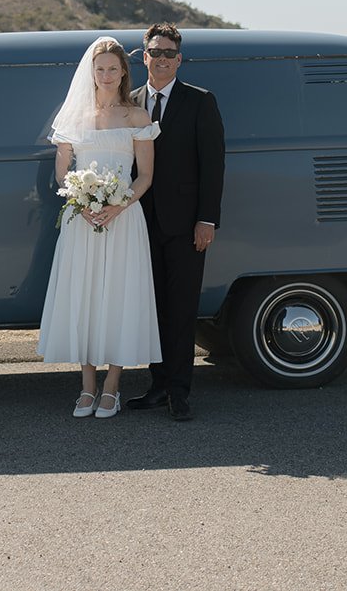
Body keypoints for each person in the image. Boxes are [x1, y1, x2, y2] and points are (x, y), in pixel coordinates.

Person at [37, 37, 162, 419]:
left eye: (112, 68)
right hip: (82, 221)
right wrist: (81, 200)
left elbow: (145, 178)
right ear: (90, 73)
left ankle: (112, 387)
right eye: (100, 68)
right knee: (86, 297)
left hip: (123, 221)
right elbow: (63, 174)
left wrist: (116, 207)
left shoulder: (137, 117)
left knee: (118, 297)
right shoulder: (74, 118)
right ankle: (87, 387)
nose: (106, 75)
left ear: (124, 71)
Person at [128, 24, 225, 421]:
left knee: (182, 309)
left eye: (170, 53)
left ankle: (180, 392)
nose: (163, 58)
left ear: (179, 59)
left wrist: (207, 220)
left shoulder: (200, 102)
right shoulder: (130, 102)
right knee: (152, 309)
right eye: (156, 51)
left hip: (187, 227)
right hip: (137, 225)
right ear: (144, 56)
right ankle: (157, 385)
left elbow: (213, 166)